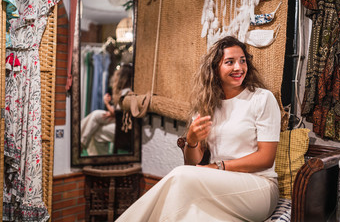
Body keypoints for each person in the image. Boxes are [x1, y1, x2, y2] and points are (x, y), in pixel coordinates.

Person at [116, 36, 281, 221]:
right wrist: (192, 141)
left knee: (179, 175)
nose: (239, 67)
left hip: (259, 188)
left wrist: (218, 167)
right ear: (214, 69)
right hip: (217, 184)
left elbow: (266, 158)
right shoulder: (206, 106)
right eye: (230, 62)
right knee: (187, 215)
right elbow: (191, 164)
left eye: (243, 61)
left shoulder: (262, 98)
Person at [81, 63, 133, 156]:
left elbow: (118, 113)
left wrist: (107, 104)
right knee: (96, 115)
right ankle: (82, 142)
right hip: (118, 121)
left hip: (122, 127)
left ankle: (82, 143)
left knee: (97, 130)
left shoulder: (127, 92)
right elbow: (119, 111)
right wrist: (112, 112)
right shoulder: (126, 91)